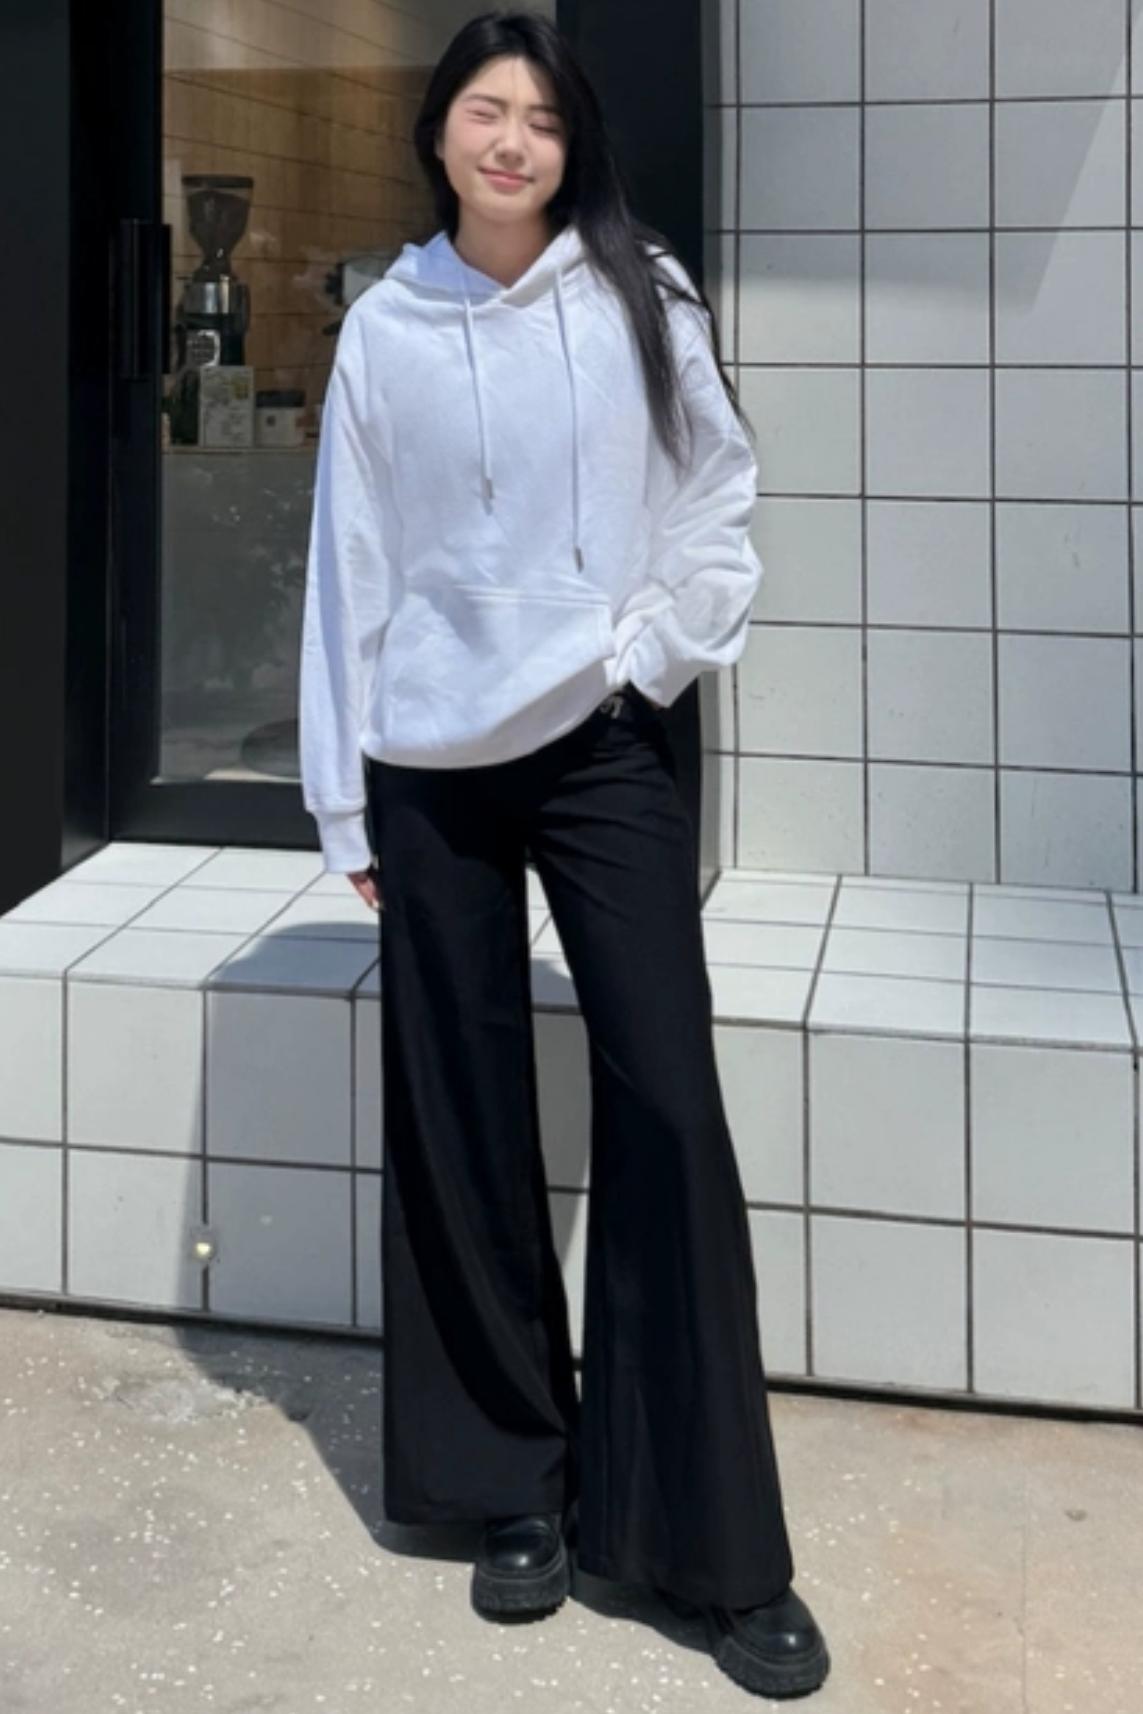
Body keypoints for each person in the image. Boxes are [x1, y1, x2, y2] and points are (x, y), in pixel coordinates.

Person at [297, 9, 830, 1701]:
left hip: (602, 745)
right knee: (459, 1109)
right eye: (483, 109)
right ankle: (508, 1484)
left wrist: (645, 657)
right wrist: (340, 797)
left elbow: (716, 490)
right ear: (439, 134)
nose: (511, 139)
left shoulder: (638, 292)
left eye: (538, 115)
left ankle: (712, 1543)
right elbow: (350, 559)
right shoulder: (387, 324)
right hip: (430, 767)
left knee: (667, 1098)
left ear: (570, 139)